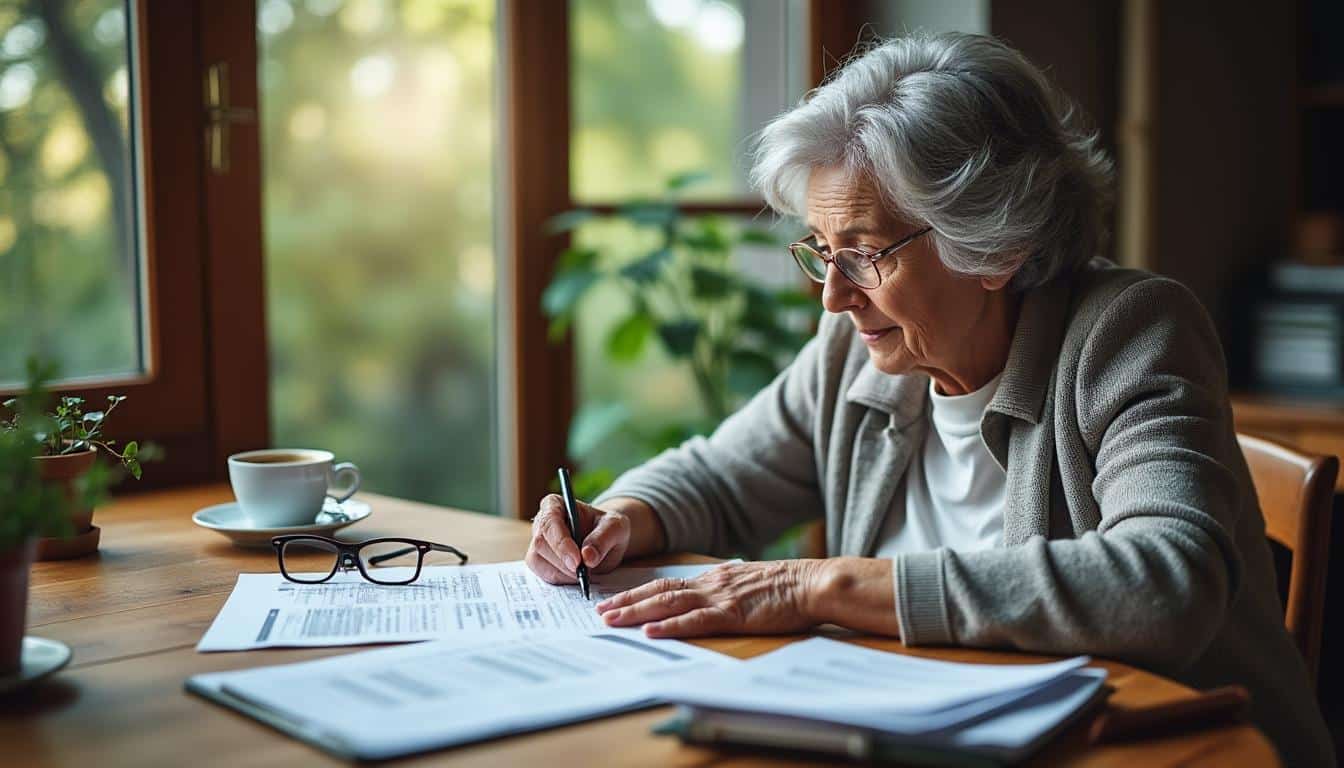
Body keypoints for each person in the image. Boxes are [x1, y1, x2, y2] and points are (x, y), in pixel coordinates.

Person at [524, 32, 1333, 766]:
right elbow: (720, 477)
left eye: (865, 254)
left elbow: (1166, 583)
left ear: (997, 245)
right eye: (822, 251)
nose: (834, 297)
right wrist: (619, 518)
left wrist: (819, 587)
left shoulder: (1129, 332)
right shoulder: (858, 353)